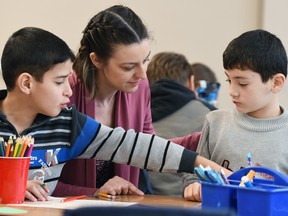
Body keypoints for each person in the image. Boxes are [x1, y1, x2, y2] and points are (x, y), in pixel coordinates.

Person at [0, 26, 231, 202]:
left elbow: (135, 146)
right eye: (60, 82)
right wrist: (8, 188)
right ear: (27, 83)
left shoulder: (68, 125)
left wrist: (210, 167)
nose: (68, 91)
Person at [55, 5, 204, 197]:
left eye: (145, 61)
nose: (142, 74)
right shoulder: (64, 94)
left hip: (122, 204)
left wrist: (200, 139)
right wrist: (96, 192)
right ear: (97, 60)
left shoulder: (139, 88)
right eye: (128, 67)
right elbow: (42, 182)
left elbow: (148, 151)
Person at [183, 29, 288, 202]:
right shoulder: (215, 122)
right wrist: (193, 186)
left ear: (276, 83)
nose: (232, 91)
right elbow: (193, 174)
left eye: (242, 83)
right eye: (229, 80)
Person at [145, 52, 216, 197]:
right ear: (191, 82)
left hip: (140, 201)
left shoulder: (133, 112)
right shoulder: (211, 116)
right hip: (189, 203)